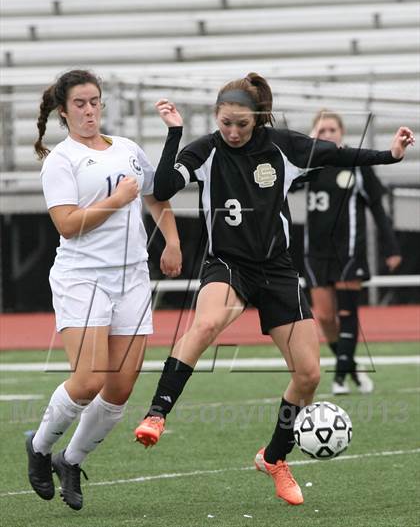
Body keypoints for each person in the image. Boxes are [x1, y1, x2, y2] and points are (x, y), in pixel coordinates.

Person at [133, 73, 414, 506]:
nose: (232, 132)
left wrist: (391, 155)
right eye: (226, 122)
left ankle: (274, 457)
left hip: (278, 270)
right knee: (206, 323)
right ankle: (157, 413)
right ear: (216, 117)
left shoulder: (283, 146)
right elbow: (165, 186)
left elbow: (339, 155)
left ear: (258, 120)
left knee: (309, 374)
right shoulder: (205, 150)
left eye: (242, 125)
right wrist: (174, 132)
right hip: (228, 264)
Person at [26, 69, 182, 511]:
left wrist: (171, 239)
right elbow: (68, 225)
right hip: (84, 277)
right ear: (64, 110)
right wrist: (115, 200)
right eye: (80, 103)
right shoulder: (61, 160)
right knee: (90, 378)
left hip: (132, 276)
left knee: (119, 389)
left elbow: (155, 195)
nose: (90, 110)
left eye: (94, 101)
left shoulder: (127, 149)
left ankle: (70, 460)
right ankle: (38, 448)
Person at [302, 110, 402, 395]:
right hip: (316, 253)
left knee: (347, 312)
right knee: (323, 316)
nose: (327, 135)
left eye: (332, 130)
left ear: (342, 133)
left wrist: (390, 246)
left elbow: (377, 208)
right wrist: (308, 152)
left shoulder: (357, 165)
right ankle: (351, 365)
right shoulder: (309, 166)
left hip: (348, 250)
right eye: (321, 131)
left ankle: (340, 377)